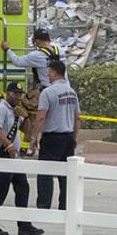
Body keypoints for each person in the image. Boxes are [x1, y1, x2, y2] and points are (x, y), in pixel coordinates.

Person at [0, 82, 45, 235]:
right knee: (0, 189)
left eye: (20, 94)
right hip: (3, 153)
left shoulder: (14, 111)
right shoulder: (1, 109)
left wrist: (26, 117)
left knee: (23, 187)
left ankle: (23, 225)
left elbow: (26, 130)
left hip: (13, 156)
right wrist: (9, 145)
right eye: (15, 94)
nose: (18, 97)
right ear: (8, 93)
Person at [2, 28, 66, 155]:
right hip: (64, 90)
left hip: (47, 91)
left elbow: (17, 61)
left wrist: (7, 49)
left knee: (27, 113)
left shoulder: (38, 55)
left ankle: (29, 145)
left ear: (38, 41)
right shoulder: (61, 51)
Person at [30, 60, 80, 211]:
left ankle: (44, 207)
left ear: (54, 73)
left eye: (49, 73)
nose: (48, 76)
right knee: (66, 175)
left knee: (45, 173)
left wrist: (33, 137)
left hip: (52, 138)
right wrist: (74, 138)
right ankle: (65, 207)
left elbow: (41, 117)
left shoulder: (48, 92)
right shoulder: (72, 92)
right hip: (68, 137)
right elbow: (77, 118)